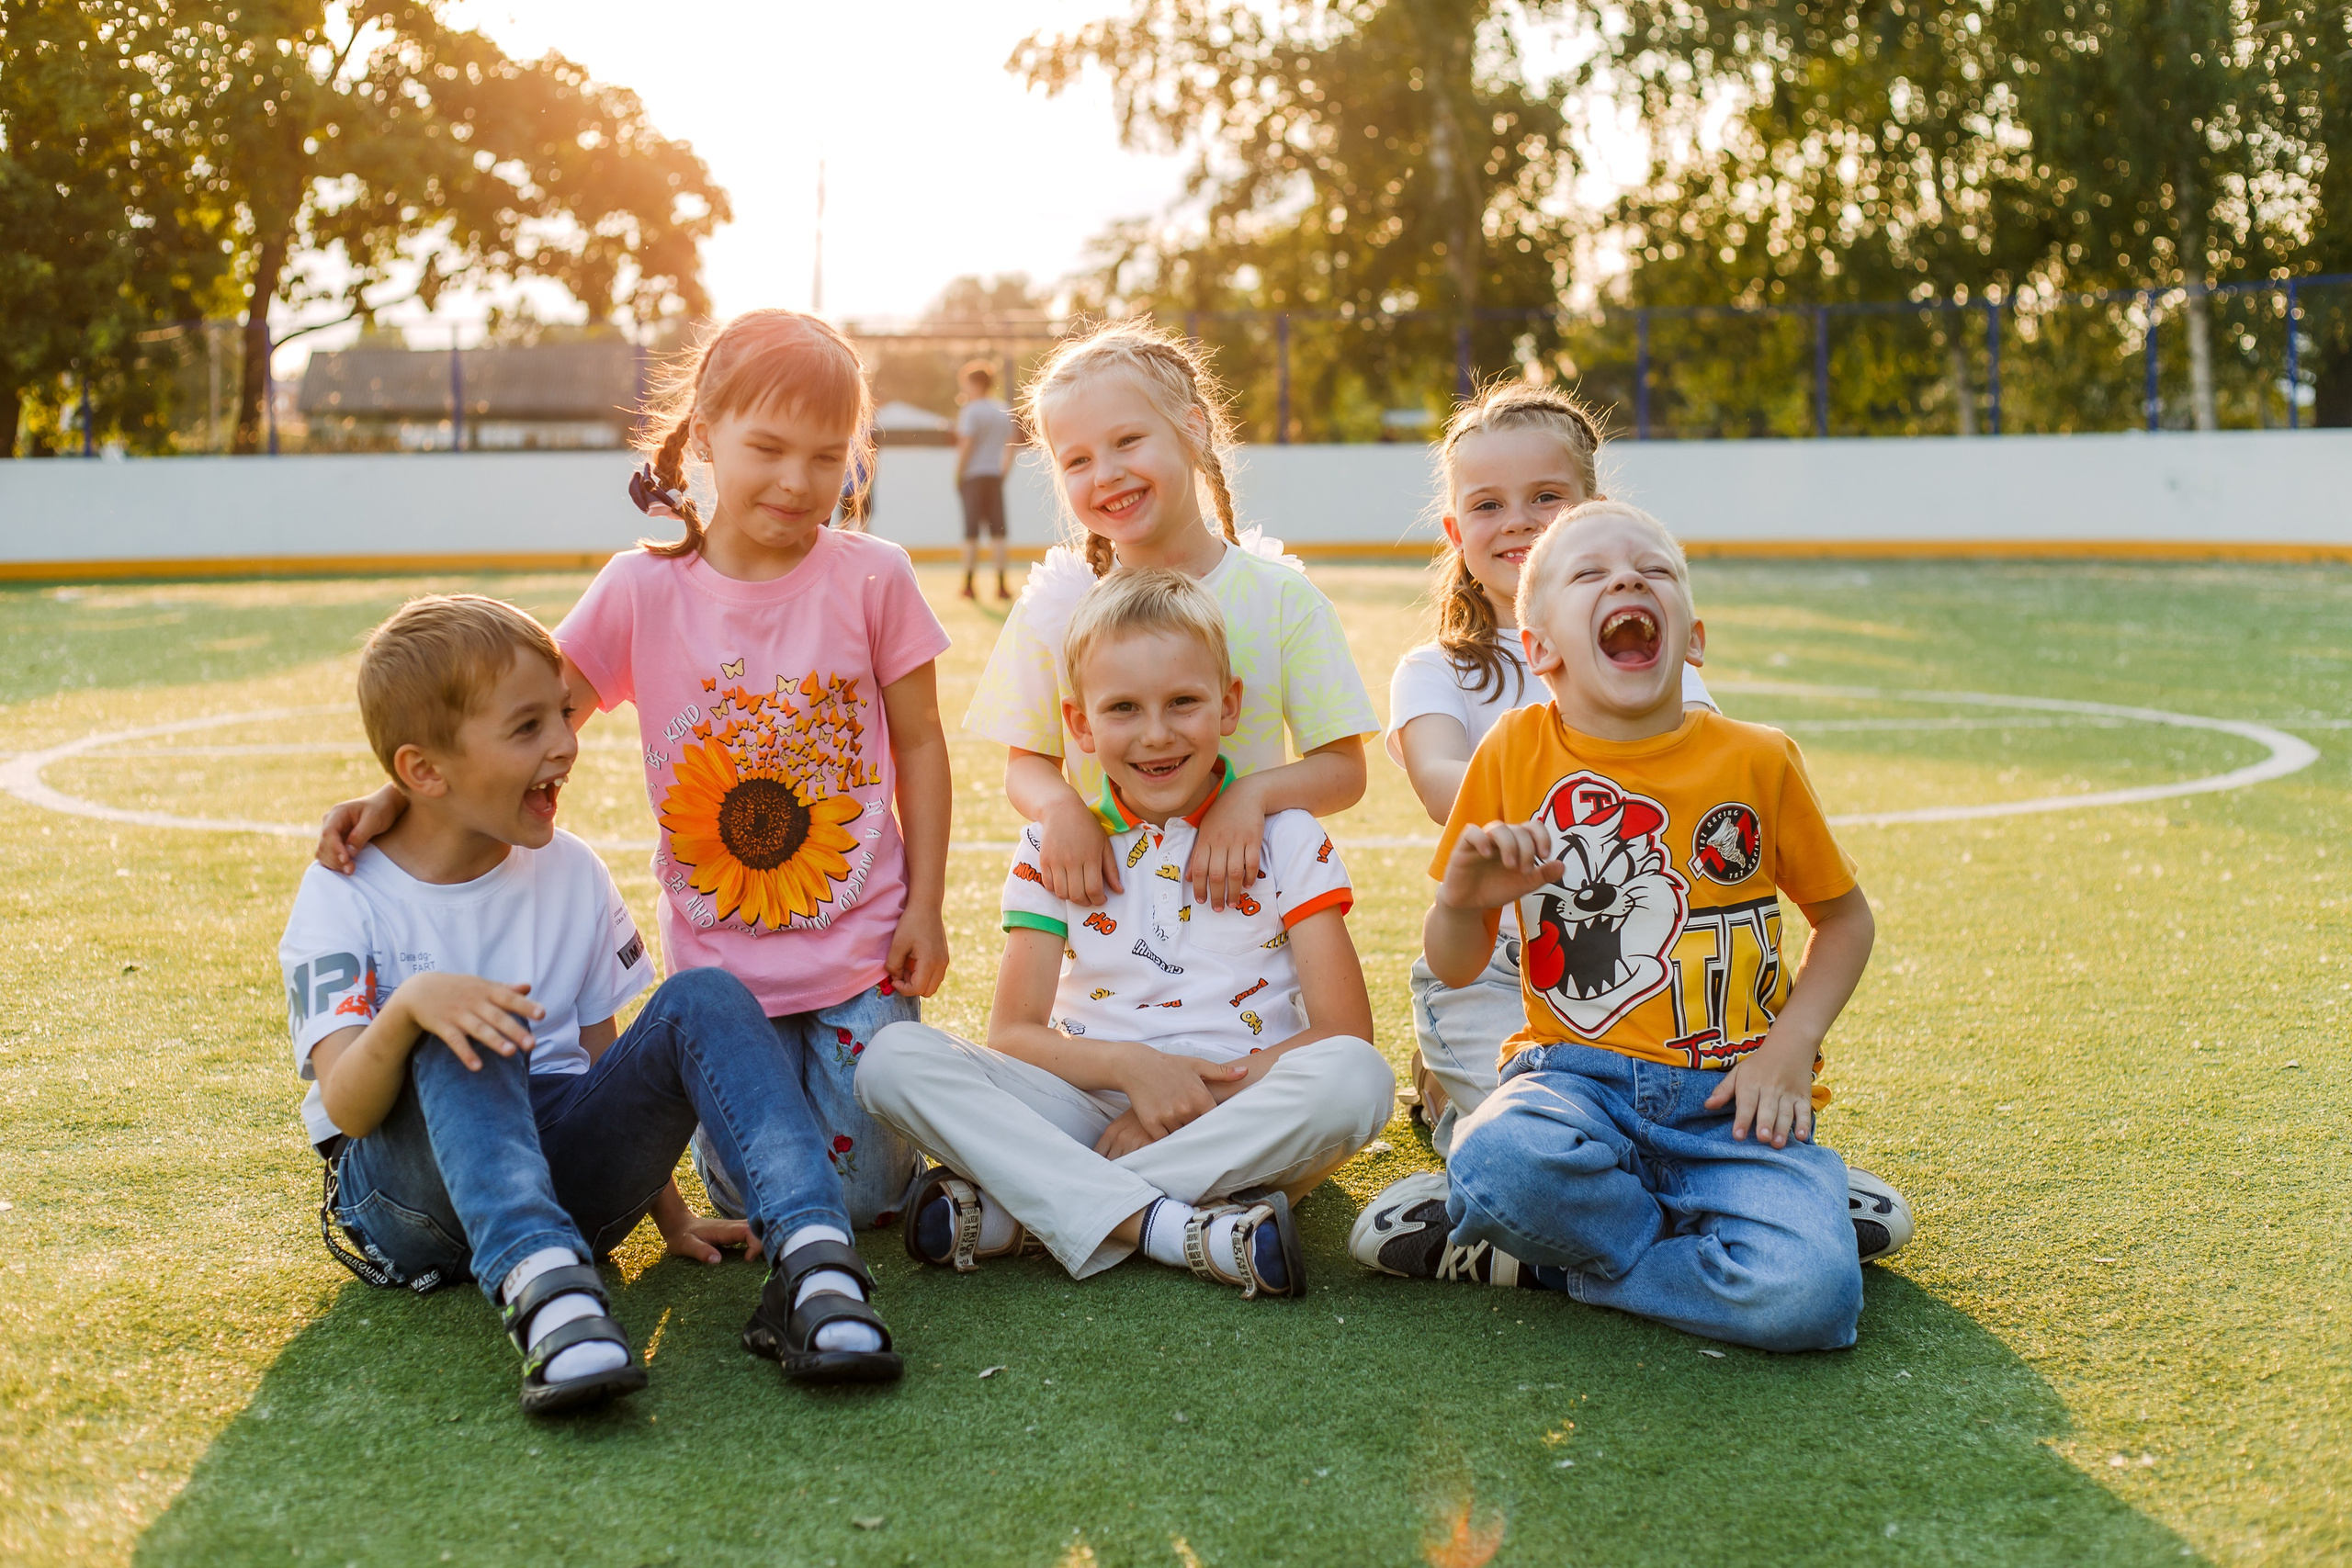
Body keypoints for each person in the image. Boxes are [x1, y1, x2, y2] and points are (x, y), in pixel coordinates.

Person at [315, 309, 953, 1230]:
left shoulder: (874, 576)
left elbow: (921, 744)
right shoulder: (639, 589)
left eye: (827, 457)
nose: (797, 480)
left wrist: (924, 905)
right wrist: (398, 794)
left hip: (864, 948)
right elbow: (522, 723)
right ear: (705, 435)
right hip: (723, 978)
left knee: (870, 1198)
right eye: (768, 448)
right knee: (758, 1198)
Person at [282, 596, 901, 1416]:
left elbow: (604, 1066)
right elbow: (349, 1109)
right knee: (461, 1025)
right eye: (527, 727)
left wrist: (670, 1215)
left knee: (706, 994)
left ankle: (817, 1266)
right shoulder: (345, 888)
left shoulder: (571, 871)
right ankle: (552, 1302)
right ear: (423, 772)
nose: (565, 743)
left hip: (567, 1175)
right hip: (408, 1201)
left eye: (562, 714)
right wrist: (411, 1009)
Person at [1351, 502, 1905, 1351]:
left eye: (1654, 570)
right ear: (1541, 649)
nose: (1625, 580)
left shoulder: (1759, 760)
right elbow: (1454, 966)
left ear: (1694, 638)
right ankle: (1719, 1240)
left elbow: (1845, 919)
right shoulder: (1510, 753)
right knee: (1494, 1159)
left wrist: (1790, 1046)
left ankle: (1556, 1262)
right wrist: (1460, 902)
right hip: (1574, 1086)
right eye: (1590, 573)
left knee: (1814, 1298)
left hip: (1731, 1104)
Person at [856, 568, 1394, 1293]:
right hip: (1084, 1106)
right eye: (1123, 708)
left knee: (1359, 1078)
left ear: (1228, 704)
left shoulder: (1287, 836)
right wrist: (1133, 1069)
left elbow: (1342, 1031)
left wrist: (1182, 1106)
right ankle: (1170, 1225)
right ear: (1079, 724)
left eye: (1183, 702)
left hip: (1236, 1110)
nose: (1156, 733)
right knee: (891, 1059)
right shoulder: (1051, 844)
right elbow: (1013, 1034)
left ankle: (1031, 1214)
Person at [1387, 381, 1715, 1157]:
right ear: (1455, 529)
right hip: (1494, 970)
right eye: (1488, 504)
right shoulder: (1436, 669)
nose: (1518, 521)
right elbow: (1440, 783)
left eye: (1545, 497)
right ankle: (1457, 1107)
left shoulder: (1647, 646)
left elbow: (1701, 765)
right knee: (1546, 1141)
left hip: (1642, 955)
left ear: (1592, 511)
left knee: (1672, 1123)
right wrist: (1580, 802)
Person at [963, 319, 1378, 922]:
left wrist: (1250, 797)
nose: (1105, 473)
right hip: (1110, 919)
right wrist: (1060, 808)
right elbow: (1026, 764)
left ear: (1193, 429)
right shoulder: (1053, 607)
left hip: (1248, 915)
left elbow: (1343, 770)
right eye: (1077, 460)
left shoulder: (1282, 597)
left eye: (1128, 440)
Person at [955, 360, 1016, 601]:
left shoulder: (970, 411)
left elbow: (966, 444)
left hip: (973, 477)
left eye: (967, 384)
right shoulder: (1002, 410)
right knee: (998, 532)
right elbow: (1011, 444)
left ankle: (969, 586)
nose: (965, 389)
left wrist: (959, 473)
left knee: (971, 533)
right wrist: (1003, 471)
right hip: (994, 477)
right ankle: (1001, 587)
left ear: (977, 384)